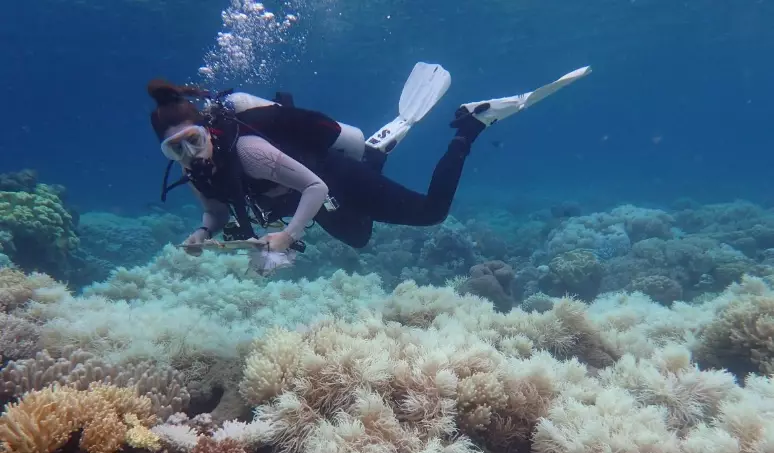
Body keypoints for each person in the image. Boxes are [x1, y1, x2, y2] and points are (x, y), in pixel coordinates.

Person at [148, 63, 591, 258]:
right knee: (360, 239)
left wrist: (287, 234)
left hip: (328, 180)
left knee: (431, 213)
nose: (189, 154)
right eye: (175, 149)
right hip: (309, 200)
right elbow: (214, 209)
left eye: (192, 140)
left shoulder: (249, 151)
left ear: (207, 129)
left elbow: (315, 189)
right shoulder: (193, 171)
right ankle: (375, 154)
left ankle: (473, 126)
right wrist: (202, 232)